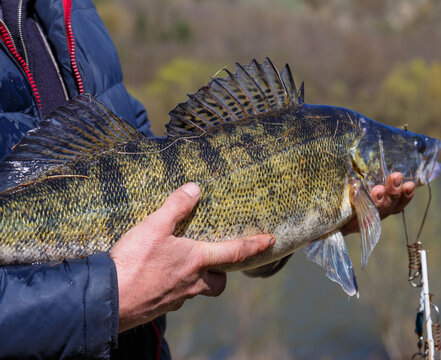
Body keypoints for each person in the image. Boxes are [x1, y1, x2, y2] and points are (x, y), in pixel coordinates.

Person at [0, 0, 415, 358]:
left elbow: (158, 164)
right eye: (409, 149)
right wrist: (108, 298)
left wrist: (310, 220)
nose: (417, 154)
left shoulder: (71, 13)